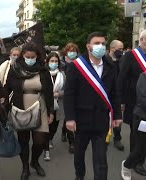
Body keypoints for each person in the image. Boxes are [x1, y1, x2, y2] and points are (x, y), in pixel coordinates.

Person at [64, 32, 122, 180]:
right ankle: (80, 176)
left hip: (102, 120)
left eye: (103, 43)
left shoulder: (110, 66)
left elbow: (115, 93)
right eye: (97, 43)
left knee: (101, 160)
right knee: (79, 155)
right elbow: (69, 94)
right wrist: (70, 118)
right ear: (88, 46)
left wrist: (117, 116)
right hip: (81, 120)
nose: (100, 46)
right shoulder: (77, 66)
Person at [5, 43, 54, 180]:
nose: (30, 59)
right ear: (23, 55)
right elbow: (7, 87)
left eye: (33, 57)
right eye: (28, 57)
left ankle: (35, 161)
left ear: (37, 56)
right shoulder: (15, 69)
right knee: (23, 140)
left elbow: (49, 91)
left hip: (40, 105)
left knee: (40, 140)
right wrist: (4, 105)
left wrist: (51, 111)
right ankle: (25, 166)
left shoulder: (43, 70)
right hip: (21, 105)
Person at [117, 29, 146, 176]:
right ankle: (135, 162)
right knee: (137, 132)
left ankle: (139, 158)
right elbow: (121, 77)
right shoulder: (131, 55)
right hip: (134, 100)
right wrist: (120, 100)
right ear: (142, 40)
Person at [121, 72, 146, 180]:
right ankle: (126, 166)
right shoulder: (143, 76)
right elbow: (142, 99)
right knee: (140, 148)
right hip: (142, 118)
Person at [43, 52, 66, 161]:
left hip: (58, 104)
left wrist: (59, 94)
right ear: (47, 62)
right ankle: (46, 150)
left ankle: (50, 138)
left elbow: (67, 89)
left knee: (55, 126)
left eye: (56, 61)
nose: (54, 63)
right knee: (46, 126)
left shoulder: (62, 74)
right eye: (52, 61)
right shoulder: (43, 74)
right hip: (46, 104)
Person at [60, 42, 80, 154]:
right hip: (65, 93)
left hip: (78, 93)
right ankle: (71, 142)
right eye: (70, 51)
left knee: (73, 117)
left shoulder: (80, 63)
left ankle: (68, 134)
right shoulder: (61, 64)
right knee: (68, 115)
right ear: (66, 52)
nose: (72, 53)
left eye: (74, 51)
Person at [105, 40, 125, 151]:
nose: (121, 51)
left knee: (118, 116)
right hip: (106, 92)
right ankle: (104, 136)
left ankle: (117, 138)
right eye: (120, 49)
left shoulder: (122, 61)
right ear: (112, 48)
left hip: (118, 93)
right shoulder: (104, 60)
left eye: (122, 49)